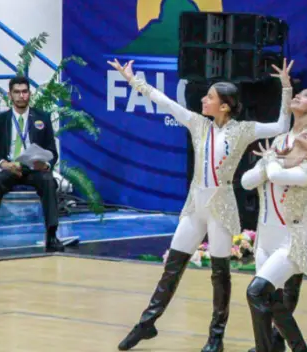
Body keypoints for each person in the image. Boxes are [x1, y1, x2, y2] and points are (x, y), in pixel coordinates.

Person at [111, 58, 293, 352]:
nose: (203, 100)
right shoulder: (198, 124)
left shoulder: (244, 130)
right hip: (195, 205)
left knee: (220, 274)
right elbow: (167, 103)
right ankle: (147, 323)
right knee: (172, 268)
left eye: (209, 97)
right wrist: (133, 81)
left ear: (224, 105)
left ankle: (215, 337)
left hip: (221, 209)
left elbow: (282, 124)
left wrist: (286, 87)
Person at [244, 87, 307, 352]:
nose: (299, 98)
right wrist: (270, 164)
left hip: (303, 227)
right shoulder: (280, 141)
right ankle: (284, 346)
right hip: (268, 233)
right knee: (274, 298)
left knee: (263, 291)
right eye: (297, 94)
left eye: (306, 96)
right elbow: (248, 181)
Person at [0, 75, 62, 253]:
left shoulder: (42, 118)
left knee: (48, 180)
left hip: (34, 169)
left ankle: (52, 235)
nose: (21, 96)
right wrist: (5, 164)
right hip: (9, 168)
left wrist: (46, 165)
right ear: (10, 95)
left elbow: (53, 152)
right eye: (17, 92)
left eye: (24, 92)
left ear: (30, 94)